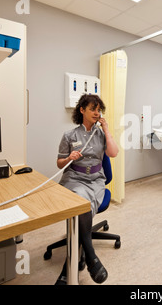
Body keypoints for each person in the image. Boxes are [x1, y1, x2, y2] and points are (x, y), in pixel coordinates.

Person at [55, 94, 118, 285]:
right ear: (82, 110)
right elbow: (59, 164)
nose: (97, 113)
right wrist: (69, 159)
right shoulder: (69, 135)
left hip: (96, 180)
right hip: (75, 178)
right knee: (82, 203)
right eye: (93, 109)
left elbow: (113, 153)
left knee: (84, 206)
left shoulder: (100, 134)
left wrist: (106, 129)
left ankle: (69, 267)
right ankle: (90, 257)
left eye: (99, 110)